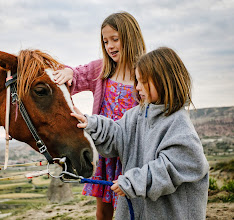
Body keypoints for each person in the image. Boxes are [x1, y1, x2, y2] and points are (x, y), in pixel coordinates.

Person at [71, 47, 209, 219]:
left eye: (143, 81)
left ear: (164, 81)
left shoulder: (179, 124)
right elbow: (117, 134)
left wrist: (132, 182)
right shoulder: (137, 114)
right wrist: (90, 123)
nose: (137, 87)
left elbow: (171, 168)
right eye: (136, 80)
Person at [53, 11, 145, 220]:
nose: (110, 46)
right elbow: (76, 74)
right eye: (105, 41)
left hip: (131, 153)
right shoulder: (100, 69)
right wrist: (68, 71)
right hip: (105, 151)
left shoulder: (144, 72)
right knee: (103, 208)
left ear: (131, 37)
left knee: (132, 207)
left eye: (115, 39)